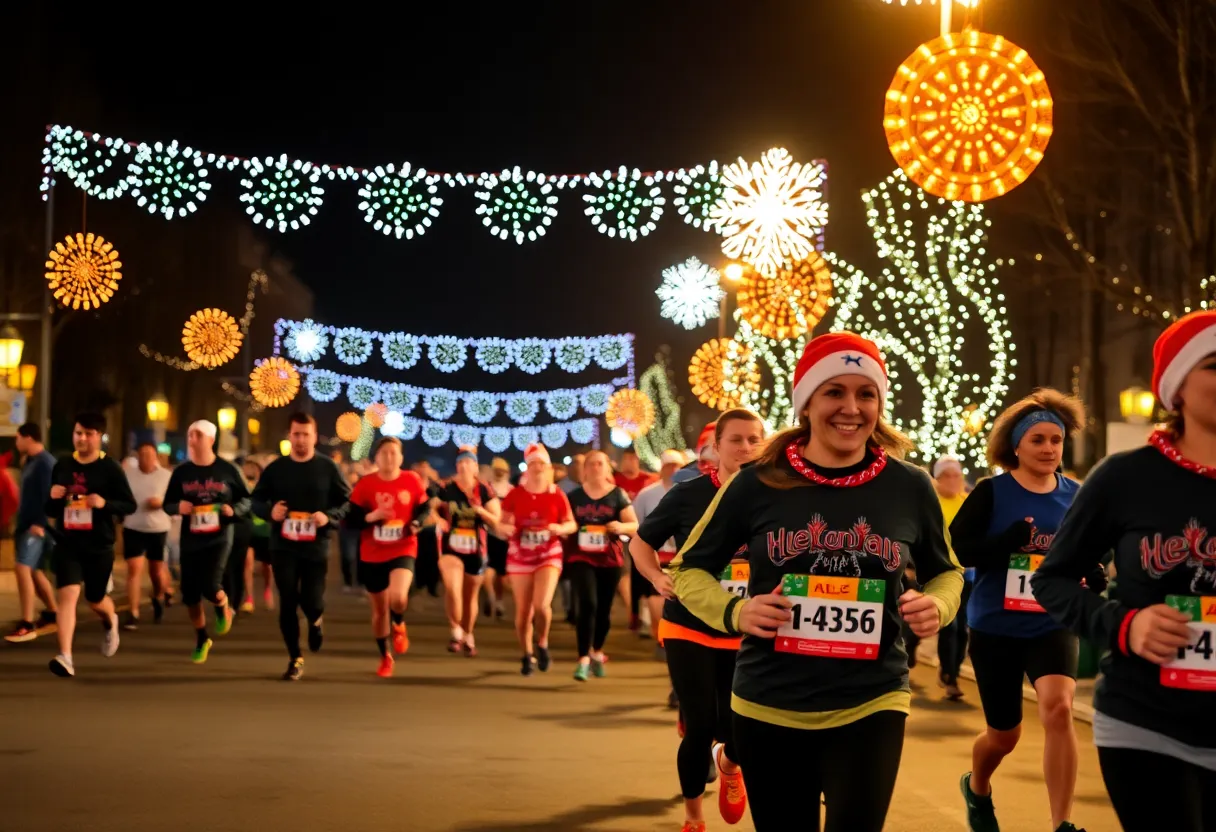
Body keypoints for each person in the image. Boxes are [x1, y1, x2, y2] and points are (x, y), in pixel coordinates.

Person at [669, 333, 962, 832]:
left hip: (873, 699)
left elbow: (947, 572)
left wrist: (938, 605)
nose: (851, 407)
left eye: (865, 394)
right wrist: (736, 612)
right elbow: (688, 568)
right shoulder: (757, 480)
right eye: (834, 392)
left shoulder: (910, 485)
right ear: (806, 402)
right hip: (769, 703)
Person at [1033, 310, 1216, 832]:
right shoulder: (1126, 477)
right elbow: (1053, 580)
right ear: (1178, 387)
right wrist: (1125, 624)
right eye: (1215, 364)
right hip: (1145, 724)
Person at [951, 389, 1094, 832]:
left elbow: (1087, 553)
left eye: (1056, 440)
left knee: (1058, 708)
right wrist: (1002, 544)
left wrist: (1094, 572)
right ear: (1015, 445)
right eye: (1038, 440)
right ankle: (977, 785)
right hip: (995, 626)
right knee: (1004, 735)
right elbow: (961, 549)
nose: (1049, 448)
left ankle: (1061, 825)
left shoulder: (1076, 495)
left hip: (1052, 621)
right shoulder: (993, 492)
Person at [632, 409, 766, 831]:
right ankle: (694, 818)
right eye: (736, 440)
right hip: (687, 624)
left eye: (754, 440)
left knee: (739, 730)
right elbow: (640, 543)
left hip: (745, 629)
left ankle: (728, 763)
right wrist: (656, 577)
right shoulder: (688, 494)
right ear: (715, 448)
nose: (745, 448)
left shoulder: (775, 497)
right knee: (701, 724)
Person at [251, 412, 351, 681]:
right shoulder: (276, 469)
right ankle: (295, 657)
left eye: (306, 435)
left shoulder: (328, 468)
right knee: (287, 600)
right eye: (296, 434)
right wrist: (270, 511)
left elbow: (346, 502)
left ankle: (316, 620)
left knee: (312, 600)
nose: (301, 440)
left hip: (315, 545)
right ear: (289, 436)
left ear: (315, 437)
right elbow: (255, 501)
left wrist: (327, 517)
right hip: (282, 544)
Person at [45, 412, 138, 677]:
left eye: (87, 434)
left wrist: (103, 504)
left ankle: (110, 620)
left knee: (95, 599)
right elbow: (51, 507)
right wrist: (52, 497)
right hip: (67, 542)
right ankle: (65, 656)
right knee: (67, 597)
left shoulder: (110, 468)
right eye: (78, 433)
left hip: (99, 544)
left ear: (98, 437)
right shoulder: (62, 465)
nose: (82, 438)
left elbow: (129, 505)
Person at [162, 421, 251, 663]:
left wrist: (233, 510)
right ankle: (202, 637)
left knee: (211, 584)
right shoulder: (182, 472)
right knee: (190, 595)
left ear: (211, 440)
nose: (192, 439)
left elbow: (247, 500)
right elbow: (167, 503)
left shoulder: (228, 470)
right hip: (191, 537)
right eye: (190, 434)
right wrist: (177, 507)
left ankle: (223, 605)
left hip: (219, 536)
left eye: (198, 435)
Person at [345, 436, 430, 677]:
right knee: (379, 610)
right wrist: (372, 516)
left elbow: (424, 508)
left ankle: (399, 623)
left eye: (394, 453)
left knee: (398, 596)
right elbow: (350, 518)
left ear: (401, 458)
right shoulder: (366, 484)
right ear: (377, 458)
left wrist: (416, 523)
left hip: (403, 546)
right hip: (372, 552)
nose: (390, 457)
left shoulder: (411, 480)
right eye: (385, 453)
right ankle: (385, 656)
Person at [497, 443, 576, 676]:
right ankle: (526, 653)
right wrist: (506, 529)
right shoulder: (515, 494)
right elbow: (501, 523)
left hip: (548, 554)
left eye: (541, 463)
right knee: (523, 611)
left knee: (541, 605)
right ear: (527, 468)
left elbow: (571, 523)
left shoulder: (556, 494)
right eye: (533, 463)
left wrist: (558, 529)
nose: (537, 467)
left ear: (548, 467)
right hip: (520, 555)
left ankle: (542, 642)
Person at [565, 450, 638, 681]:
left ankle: (596, 651)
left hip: (610, 558)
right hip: (581, 557)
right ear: (584, 469)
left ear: (608, 469)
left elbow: (635, 525)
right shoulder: (575, 497)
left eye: (600, 464)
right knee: (587, 603)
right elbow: (565, 522)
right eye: (591, 464)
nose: (596, 467)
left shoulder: (618, 495)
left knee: (604, 609)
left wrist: (620, 527)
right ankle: (583, 658)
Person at [436, 446, 501, 656]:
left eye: (468, 463)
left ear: (475, 467)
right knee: (452, 588)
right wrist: (439, 520)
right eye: (460, 463)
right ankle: (455, 631)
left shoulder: (485, 490)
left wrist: (480, 510)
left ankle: (468, 633)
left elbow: (496, 520)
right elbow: (430, 508)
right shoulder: (447, 488)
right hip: (450, 546)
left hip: (476, 548)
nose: (464, 466)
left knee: (469, 594)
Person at [5, 423, 58, 642]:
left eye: (18, 438)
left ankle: (27, 622)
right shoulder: (30, 462)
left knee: (22, 568)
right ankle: (53, 612)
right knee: (35, 572)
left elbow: (51, 496)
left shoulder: (45, 463)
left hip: (35, 526)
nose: (16, 443)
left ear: (28, 438)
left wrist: (41, 522)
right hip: (25, 524)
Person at [631, 449, 687, 648]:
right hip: (657, 553)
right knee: (656, 596)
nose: (673, 471)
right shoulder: (647, 495)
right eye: (669, 467)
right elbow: (636, 524)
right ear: (661, 469)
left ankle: (674, 636)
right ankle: (661, 637)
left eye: (677, 467)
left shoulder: (693, 491)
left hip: (683, 556)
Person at [121, 441, 172, 629]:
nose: (145, 458)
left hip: (157, 528)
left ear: (156, 457)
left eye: (149, 455)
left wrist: (160, 503)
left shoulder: (166, 476)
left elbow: (174, 501)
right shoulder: (128, 475)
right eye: (141, 454)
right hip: (133, 526)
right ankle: (133, 612)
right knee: (134, 569)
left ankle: (158, 595)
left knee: (156, 571)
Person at [933, 454, 971, 700]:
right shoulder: (932, 503)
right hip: (940, 573)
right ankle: (950, 675)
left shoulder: (968, 502)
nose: (953, 479)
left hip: (968, 574)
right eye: (947, 475)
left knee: (963, 630)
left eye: (956, 474)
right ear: (937, 479)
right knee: (950, 626)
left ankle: (952, 670)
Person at [482, 456, 512, 620]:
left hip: (505, 536)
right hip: (489, 534)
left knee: (501, 573)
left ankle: (497, 600)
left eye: (502, 470)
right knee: (489, 569)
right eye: (497, 470)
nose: (500, 473)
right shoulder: (486, 489)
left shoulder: (511, 490)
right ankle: (492, 596)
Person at [243, 460, 274, 610]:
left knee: (267, 566)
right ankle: (249, 598)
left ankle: (267, 589)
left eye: (253, 468)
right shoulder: (242, 487)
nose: (249, 470)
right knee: (247, 563)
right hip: (248, 531)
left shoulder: (266, 487)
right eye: (247, 468)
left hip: (265, 531)